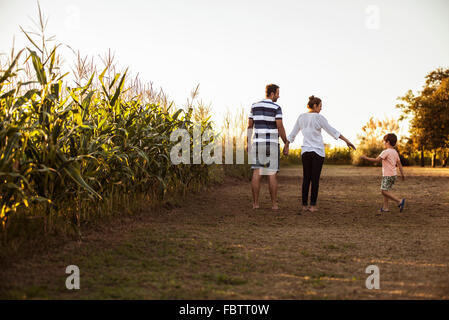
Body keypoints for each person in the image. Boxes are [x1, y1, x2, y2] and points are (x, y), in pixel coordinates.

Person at [284, 95, 356, 213]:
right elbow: (332, 130)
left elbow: (293, 133)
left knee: (306, 178)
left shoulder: (301, 117)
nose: (321, 109)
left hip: (305, 152)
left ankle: (304, 205)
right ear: (315, 106)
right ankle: (312, 206)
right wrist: (347, 141)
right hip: (317, 152)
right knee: (315, 179)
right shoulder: (319, 117)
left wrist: (286, 145)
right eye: (320, 106)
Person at [247, 84, 289, 210]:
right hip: (272, 144)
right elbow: (280, 126)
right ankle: (274, 205)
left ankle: (255, 204)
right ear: (272, 94)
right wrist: (286, 142)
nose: (278, 96)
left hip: (258, 143)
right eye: (277, 93)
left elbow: (250, 126)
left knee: (256, 173)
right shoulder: (276, 107)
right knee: (271, 174)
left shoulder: (254, 106)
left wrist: (248, 143)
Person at [360, 133, 406, 212]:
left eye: (384, 141)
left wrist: (365, 158)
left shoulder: (386, 152)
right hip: (393, 175)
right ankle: (385, 208)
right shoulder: (395, 152)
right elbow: (399, 164)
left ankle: (399, 201)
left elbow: (376, 160)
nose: (384, 143)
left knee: (383, 191)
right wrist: (402, 174)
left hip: (387, 175)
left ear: (387, 142)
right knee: (386, 190)